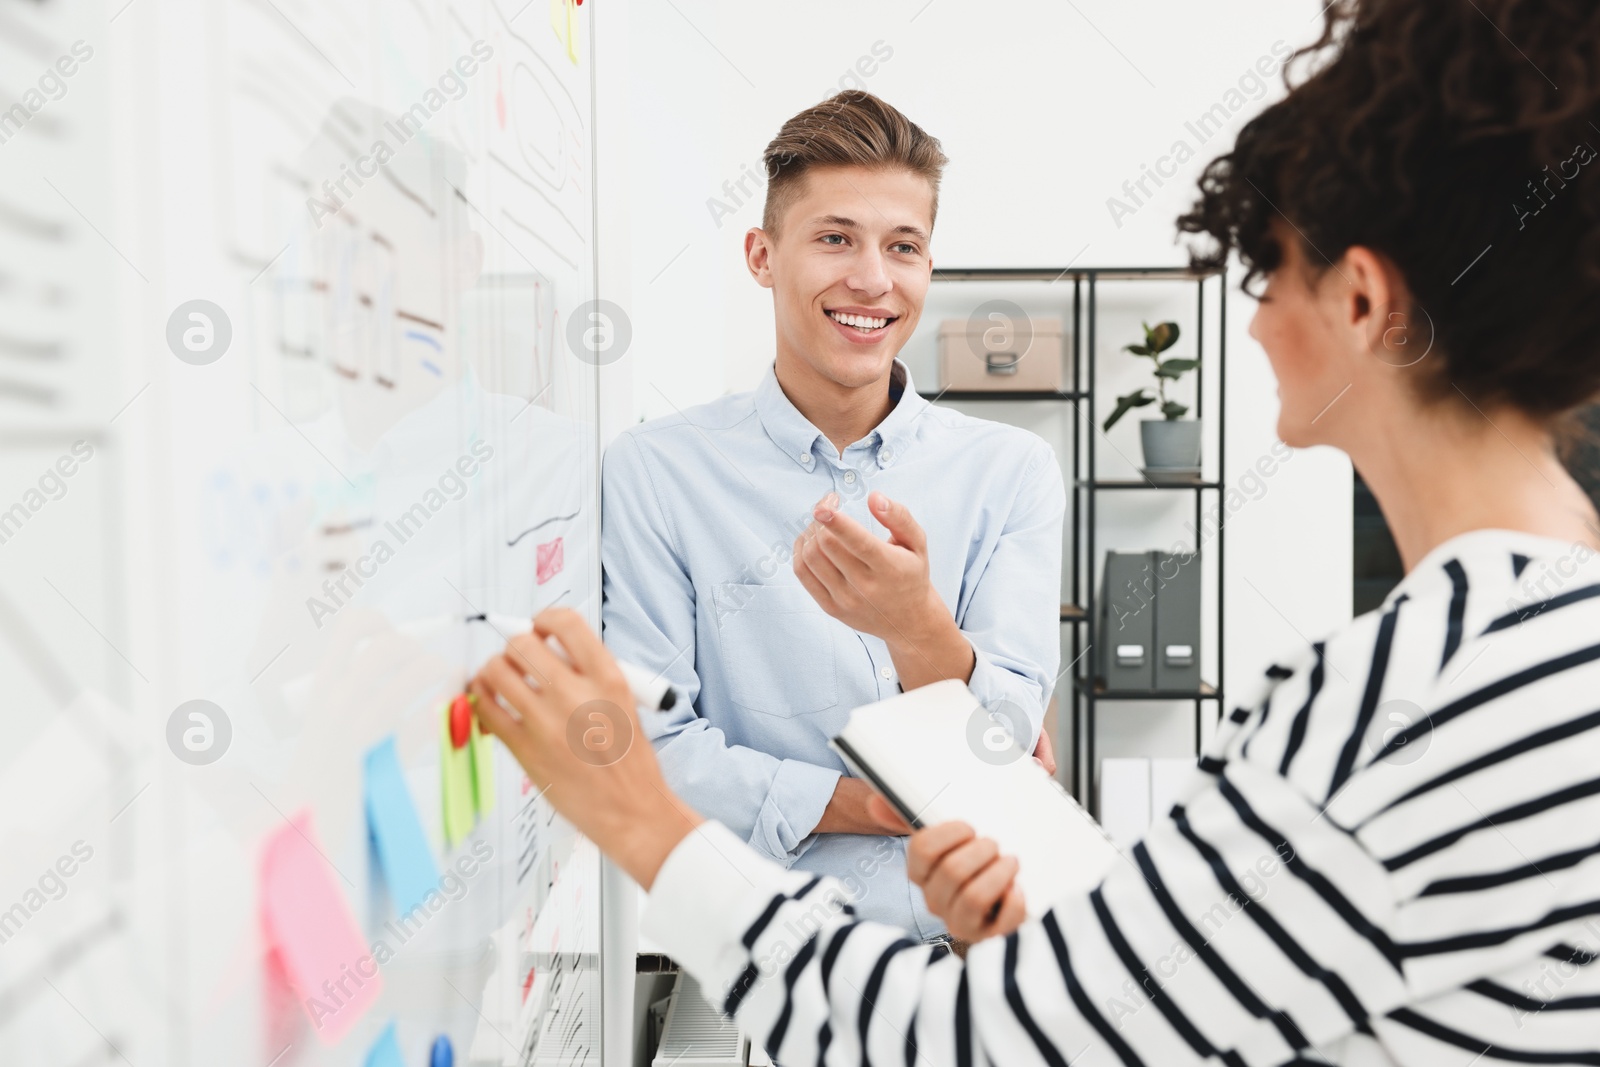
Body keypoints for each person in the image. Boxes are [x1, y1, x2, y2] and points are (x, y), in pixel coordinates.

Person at [471, 0, 1600, 1061]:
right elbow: (1209, 976)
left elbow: (986, 1036)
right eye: (834, 239)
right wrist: (1046, 897)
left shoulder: (1392, 702)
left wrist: (631, 810)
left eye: (1268, 274)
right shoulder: (1553, 637)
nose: (1251, 324)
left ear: (1359, 302)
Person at [597, 91, 1064, 938]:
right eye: (835, 238)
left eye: (903, 247)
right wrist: (866, 802)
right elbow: (652, 748)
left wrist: (919, 626)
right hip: (757, 966)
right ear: (762, 255)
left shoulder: (1012, 473)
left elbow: (1005, 747)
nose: (872, 279)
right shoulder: (658, 472)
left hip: (968, 965)